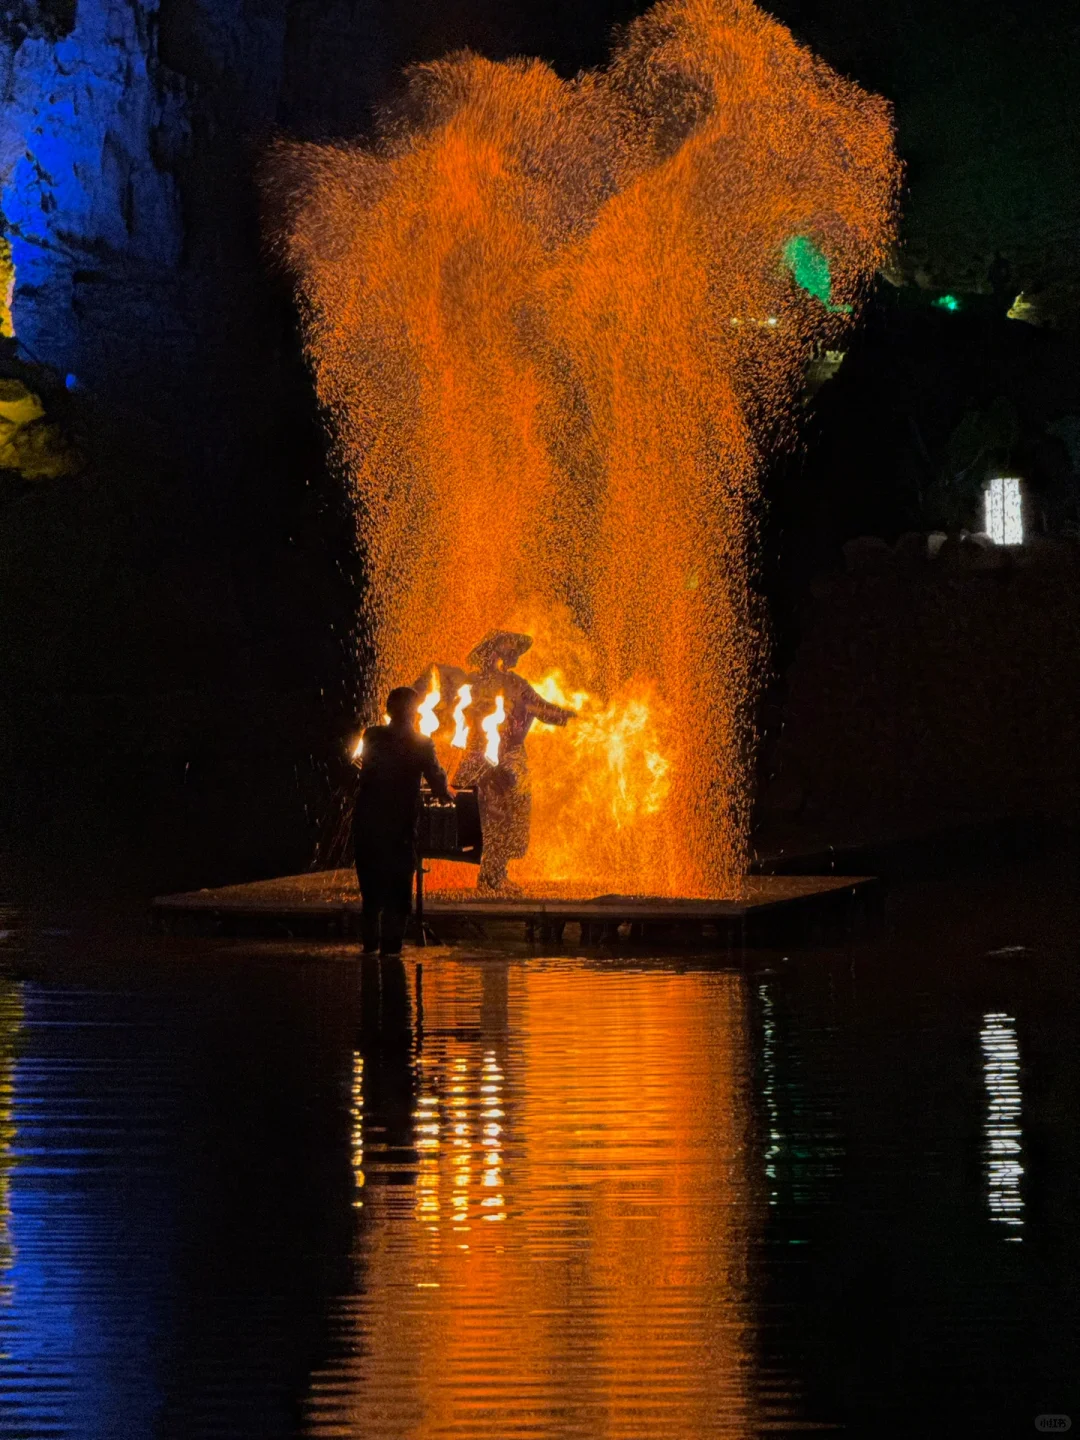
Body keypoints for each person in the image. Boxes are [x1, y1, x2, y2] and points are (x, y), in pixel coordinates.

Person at [451, 631, 575, 894]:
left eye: (516, 651)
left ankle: (494, 874)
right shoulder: (473, 685)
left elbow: (542, 710)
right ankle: (490, 876)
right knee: (490, 817)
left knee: (505, 818)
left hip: (502, 761)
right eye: (510, 649)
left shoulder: (513, 685)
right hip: (488, 762)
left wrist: (570, 716)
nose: (514, 655)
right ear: (492, 650)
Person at [352, 686, 451, 956]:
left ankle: (369, 955)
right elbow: (438, 781)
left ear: (388, 709)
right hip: (399, 828)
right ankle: (392, 956)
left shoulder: (371, 735)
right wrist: (445, 792)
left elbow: (366, 769)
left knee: (371, 896)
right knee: (398, 896)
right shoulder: (420, 743)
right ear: (413, 711)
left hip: (367, 825)